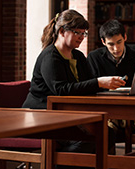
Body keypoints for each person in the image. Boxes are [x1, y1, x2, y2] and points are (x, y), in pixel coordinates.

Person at [22, 9, 124, 160]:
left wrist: (104, 85)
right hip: (42, 115)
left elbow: (88, 83)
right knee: (84, 139)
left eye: (84, 33)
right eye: (78, 33)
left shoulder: (78, 56)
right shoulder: (50, 57)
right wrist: (99, 82)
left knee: (107, 133)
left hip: (67, 113)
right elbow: (61, 90)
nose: (82, 37)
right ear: (62, 31)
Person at [87, 19, 135, 136]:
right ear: (103, 42)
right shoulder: (94, 58)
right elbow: (91, 87)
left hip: (134, 107)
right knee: (106, 128)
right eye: (111, 44)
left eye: (119, 42)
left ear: (125, 38)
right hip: (107, 108)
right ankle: (107, 155)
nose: (116, 48)